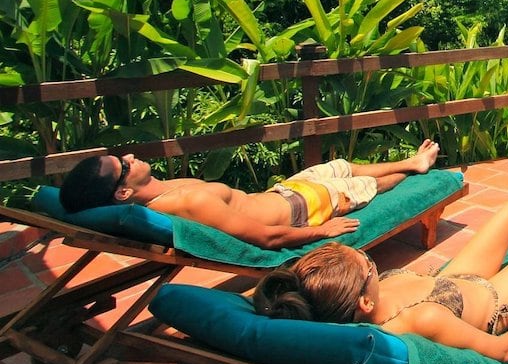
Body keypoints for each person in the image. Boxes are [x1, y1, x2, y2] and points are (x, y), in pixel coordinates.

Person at [253, 189, 508, 362]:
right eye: (367, 263)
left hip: (454, 283)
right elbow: (503, 352)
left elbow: (271, 295)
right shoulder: (421, 319)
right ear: (365, 301)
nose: (368, 258)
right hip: (493, 302)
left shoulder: (349, 300)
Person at [58, 141, 440, 250]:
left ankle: (411, 161)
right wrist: (323, 232)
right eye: (122, 165)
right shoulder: (188, 203)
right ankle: (410, 171)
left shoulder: (162, 191)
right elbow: (266, 237)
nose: (129, 157)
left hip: (281, 191)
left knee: (340, 164)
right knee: (365, 186)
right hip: (302, 207)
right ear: (124, 191)